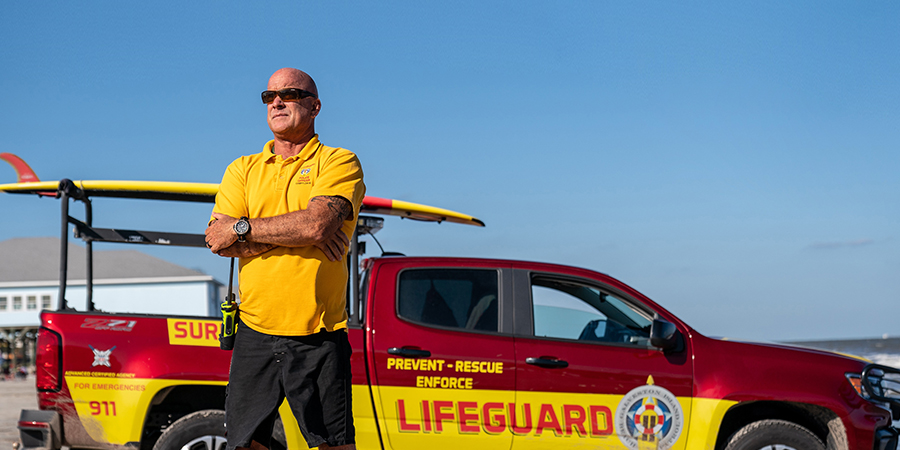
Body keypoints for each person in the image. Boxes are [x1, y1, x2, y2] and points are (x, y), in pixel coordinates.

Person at [206, 68, 365, 450]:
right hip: (254, 332)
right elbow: (217, 239)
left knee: (331, 445)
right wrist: (298, 234)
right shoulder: (242, 169)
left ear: (314, 106)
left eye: (290, 94)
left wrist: (243, 229)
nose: (276, 101)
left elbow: (317, 224)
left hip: (318, 335)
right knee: (245, 444)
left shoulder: (339, 161)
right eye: (269, 96)